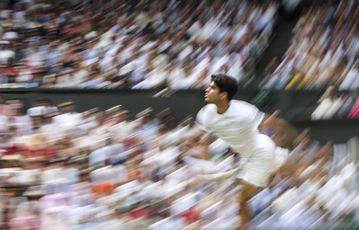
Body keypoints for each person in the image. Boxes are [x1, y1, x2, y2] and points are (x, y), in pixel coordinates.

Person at [195, 74, 295, 229]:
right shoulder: (206, 114)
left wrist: (285, 139)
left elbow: (268, 123)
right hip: (248, 157)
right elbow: (203, 140)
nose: (207, 89)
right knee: (241, 199)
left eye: (213, 88)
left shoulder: (244, 111)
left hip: (262, 151)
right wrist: (205, 163)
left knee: (240, 198)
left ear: (223, 95)